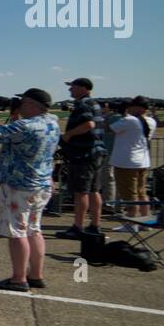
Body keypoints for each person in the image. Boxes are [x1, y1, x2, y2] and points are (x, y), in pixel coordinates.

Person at [0, 89, 60, 292]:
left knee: (17, 232)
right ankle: (36, 275)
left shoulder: (26, 126)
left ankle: (18, 278)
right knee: (34, 230)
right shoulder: (52, 121)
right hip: (42, 184)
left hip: (19, 187)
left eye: (23, 102)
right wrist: (15, 116)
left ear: (33, 105)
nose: (20, 105)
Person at [56, 77, 106, 240]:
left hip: (84, 153)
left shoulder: (83, 104)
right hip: (96, 152)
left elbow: (89, 125)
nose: (70, 90)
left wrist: (69, 134)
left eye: (73, 87)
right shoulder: (95, 104)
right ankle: (94, 225)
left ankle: (78, 227)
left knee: (81, 192)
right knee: (94, 190)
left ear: (84, 88)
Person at [109, 97, 157, 222]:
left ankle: (131, 222)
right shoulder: (151, 121)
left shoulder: (129, 120)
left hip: (126, 162)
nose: (129, 108)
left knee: (129, 195)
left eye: (131, 106)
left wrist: (119, 115)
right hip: (143, 161)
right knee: (141, 192)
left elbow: (110, 128)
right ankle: (145, 220)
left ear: (139, 107)